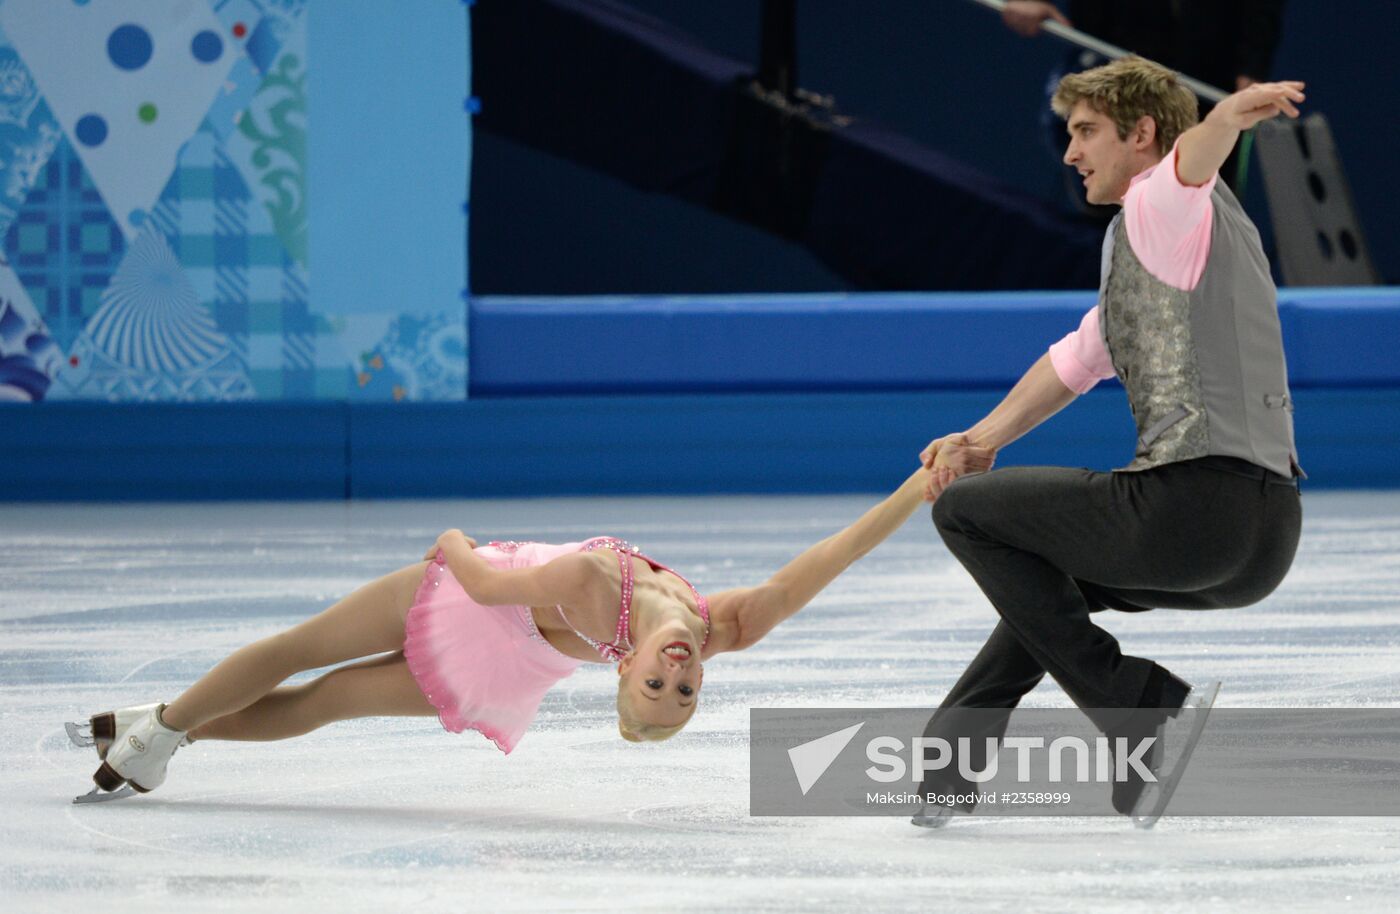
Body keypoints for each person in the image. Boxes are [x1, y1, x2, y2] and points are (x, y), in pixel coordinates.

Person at [75, 459, 994, 800]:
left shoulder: (594, 585)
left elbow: (477, 575)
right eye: (684, 691)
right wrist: (921, 487)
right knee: (308, 673)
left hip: (475, 605)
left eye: (653, 690)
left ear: (623, 672)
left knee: (314, 685)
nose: (675, 675)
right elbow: (830, 558)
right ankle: (157, 732)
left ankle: (163, 723)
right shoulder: (725, 627)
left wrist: (447, 538)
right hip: (498, 636)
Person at [912, 57, 1305, 827]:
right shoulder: (1171, 255)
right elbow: (1078, 358)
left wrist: (1224, 119)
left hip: (1194, 507)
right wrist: (979, 441)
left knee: (965, 514)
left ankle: (1138, 705)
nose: (1070, 152)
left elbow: (1190, 164)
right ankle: (948, 766)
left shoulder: (1162, 203)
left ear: (1143, 133)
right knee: (1043, 587)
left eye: (1087, 131)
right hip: (1262, 537)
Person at [1000, 0, 1287, 208]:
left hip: (1209, 80)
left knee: (1203, 209)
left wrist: (1253, 68)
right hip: (1114, 60)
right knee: (1110, 209)